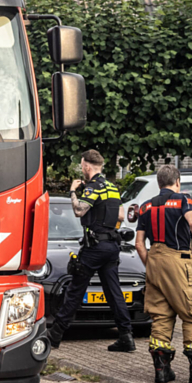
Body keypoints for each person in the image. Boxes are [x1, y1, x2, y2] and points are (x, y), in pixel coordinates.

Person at [134, 165, 192, 383]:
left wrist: (153, 266)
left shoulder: (146, 206)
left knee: (161, 314)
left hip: (154, 259)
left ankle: (162, 371)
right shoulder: (183, 200)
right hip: (178, 259)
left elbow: (139, 244)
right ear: (178, 181)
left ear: (158, 183)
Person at [48, 150, 135, 353]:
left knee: (75, 290)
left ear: (87, 166)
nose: (82, 169)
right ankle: (126, 336)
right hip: (112, 246)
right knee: (114, 292)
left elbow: (79, 210)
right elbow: (121, 215)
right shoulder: (112, 187)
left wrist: (72, 191)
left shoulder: (93, 187)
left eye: (82, 166)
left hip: (94, 248)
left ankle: (55, 335)